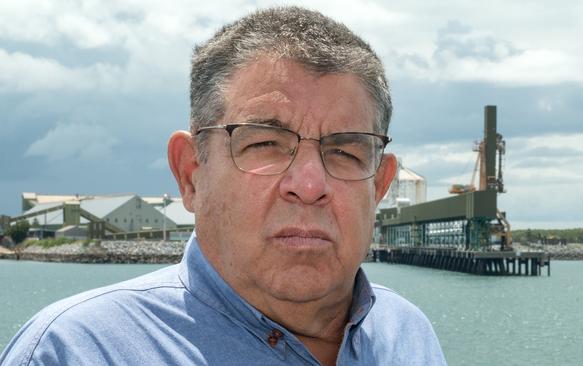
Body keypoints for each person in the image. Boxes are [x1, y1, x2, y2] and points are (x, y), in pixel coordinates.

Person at [1, 7, 446, 365]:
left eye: (346, 152)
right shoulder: (74, 351)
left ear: (380, 185)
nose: (309, 184)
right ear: (191, 172)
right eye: (266, 144)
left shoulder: (407, 334)